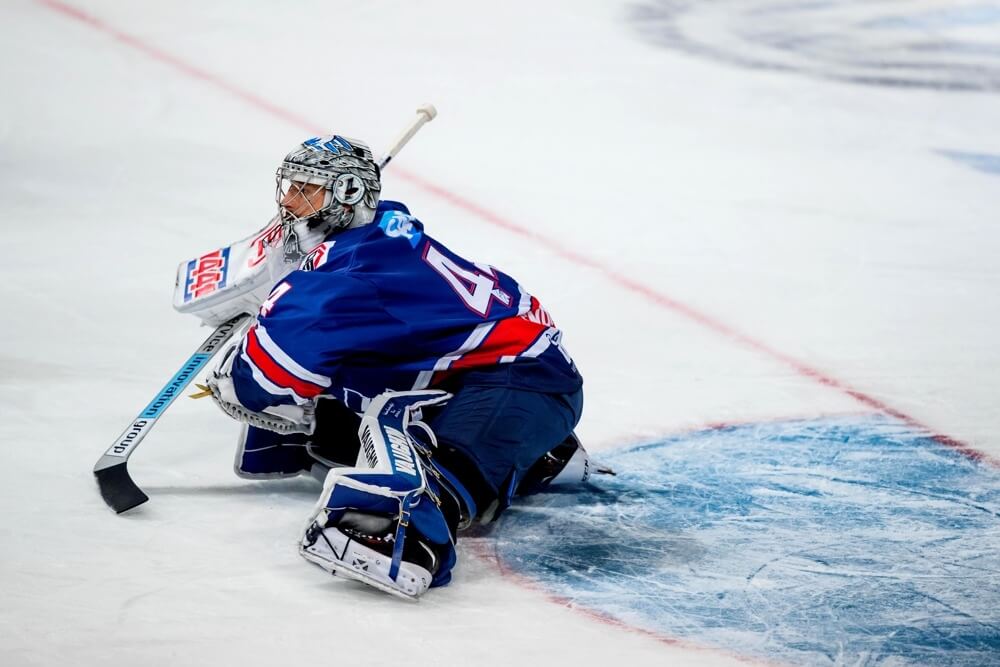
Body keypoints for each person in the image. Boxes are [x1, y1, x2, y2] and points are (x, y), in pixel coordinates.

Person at [203, 135, 588, 599]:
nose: (288, 201)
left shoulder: (349, 278)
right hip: (484, 370)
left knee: (438, 478)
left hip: (523, 379)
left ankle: (410, 534)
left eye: (306, 190)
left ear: (346, 194)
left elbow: (263, 379)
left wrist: (249, 345)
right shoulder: (382, 227)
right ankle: (536, 455)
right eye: (291, 187)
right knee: (348, 393)